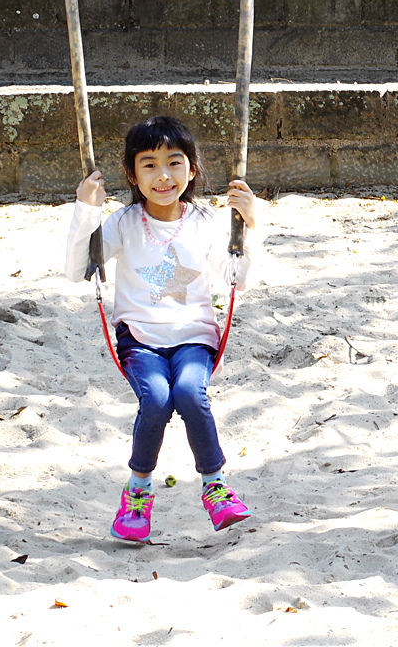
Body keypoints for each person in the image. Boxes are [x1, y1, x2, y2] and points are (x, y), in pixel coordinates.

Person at [65, 115, 259, 541]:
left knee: (190, 392)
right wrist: (86, 211)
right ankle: (137, 492)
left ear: (191, 169)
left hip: (193, 336)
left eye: (174, 162)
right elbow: (78, 268)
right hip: (141, 339)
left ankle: (215, 486)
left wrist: (249, 228)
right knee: (155, 399)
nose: (163, 175)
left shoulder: (206, 221)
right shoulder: (122, 223)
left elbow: (236, 277)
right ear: (132, 175)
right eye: (149, 164)